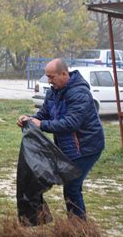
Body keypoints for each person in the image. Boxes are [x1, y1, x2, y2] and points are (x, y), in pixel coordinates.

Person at [17, 58, 105, 219]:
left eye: (52, 77)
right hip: (68, 147)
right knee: (65, 185)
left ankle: (78, 228)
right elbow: (43, 114)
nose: (49, 81)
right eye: (47, 77)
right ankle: (75, 225)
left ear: (64, 73)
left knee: (72, 187)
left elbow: (71, 123)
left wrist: (41, 124)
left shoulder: (80, 94)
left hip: (86, 148)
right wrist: (29, 119)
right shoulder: (54, 92)